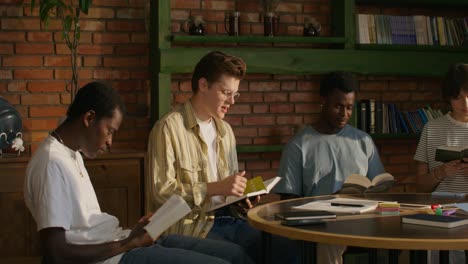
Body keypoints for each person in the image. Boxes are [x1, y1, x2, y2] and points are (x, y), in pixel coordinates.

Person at [23, 82, 253, 264]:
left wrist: (134, 233)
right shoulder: (51, 163)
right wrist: (128, 244)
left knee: (235, 256)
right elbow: (56, 252)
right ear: (89, 118)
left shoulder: (71, 154)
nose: (110, 141)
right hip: (114, 257)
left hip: (119, 240)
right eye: (110, 131)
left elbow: (85, 227)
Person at [146, 51, 269, 263]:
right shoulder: (168, 128)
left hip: (227, 219)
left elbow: (225, 192)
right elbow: (161, 192)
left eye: (235, 95)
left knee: (279, 243)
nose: (232, 101)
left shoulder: (225, 131)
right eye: (226, 93)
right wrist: (216, 188)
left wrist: (240, 197)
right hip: (188, 228)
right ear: (203, 85)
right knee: (238, 256)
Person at [273, 71, 386, 264]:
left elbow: (379, 185)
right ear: (322, 101)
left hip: (361, 218)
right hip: (321, 223)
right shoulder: (299, 146)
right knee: (328, 241)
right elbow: (288, 202)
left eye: (350, 108)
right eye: (338, 106)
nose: (344, 114)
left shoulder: (363, 140)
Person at [414, 63, 468, 264]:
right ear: (448, 97)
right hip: (442, 206)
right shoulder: (432, 128)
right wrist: (441, 173)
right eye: (458, 97)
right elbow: (420, 186)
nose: (466, 103)